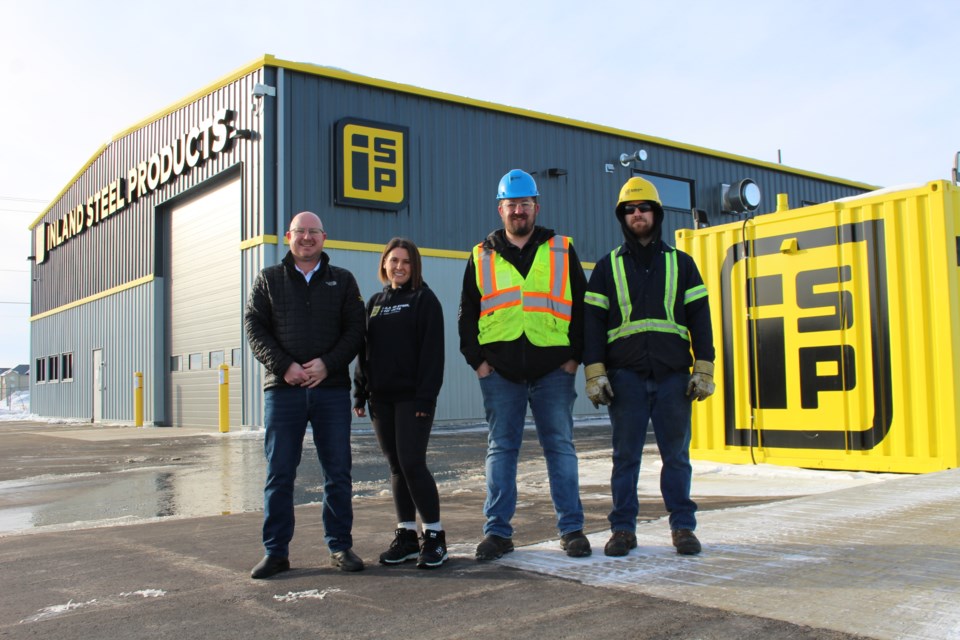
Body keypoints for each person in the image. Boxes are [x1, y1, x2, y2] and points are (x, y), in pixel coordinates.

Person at [458, 168, 591, 561]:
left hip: (554, 370)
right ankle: (497, 533)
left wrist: (573, 360)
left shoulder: (562, 249)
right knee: (501, 451)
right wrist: (478, 363)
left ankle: (572, 529)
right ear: (500, 209)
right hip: (500, 373)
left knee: (560, 449)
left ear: (536, 207)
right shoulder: (480, 255)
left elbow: (582, 308)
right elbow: (468, 315)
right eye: (512, 204)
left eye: (525, 204)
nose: (519, 211)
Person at [582, 176, 716, 557]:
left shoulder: (682, 264)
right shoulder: (607, 267)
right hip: (625, 379)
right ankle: (623, 529)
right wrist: (595, 372)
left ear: (656, 214)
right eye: (629, 210)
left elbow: (700, 319)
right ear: (622, 217)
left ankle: (683, 527)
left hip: (674, 377)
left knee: (676, 456)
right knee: (626, 458)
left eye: (643, 208)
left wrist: (703, 367)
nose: (636, 214)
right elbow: (592, 325)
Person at [244, 211, 366, 579]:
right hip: (284, 391)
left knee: (337, 473)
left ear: (324, 238)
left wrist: (328, 364)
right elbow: (254, 327)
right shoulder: (268, 279)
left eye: (314, 232)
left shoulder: (342, 281)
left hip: (329, 392)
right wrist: (285, 366)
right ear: (288, 236)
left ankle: (340, 545)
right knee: (280, 473)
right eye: (301, 232)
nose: (307, 238)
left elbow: (356, 329)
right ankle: (276, 552)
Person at [353, 238, 448, 569]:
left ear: (415, 266)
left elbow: (433, 354)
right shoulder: (376, 302)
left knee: (412, 463)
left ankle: (434, 536)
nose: (399, 267)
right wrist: (360, 391)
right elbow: (365, 351)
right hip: (382, 399)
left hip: (413, 398)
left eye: (406, 262)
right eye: (393, 261)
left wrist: (426, 397)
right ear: (384, 264)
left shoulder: (424, 300)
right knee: (396, 467)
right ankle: (407, 536)